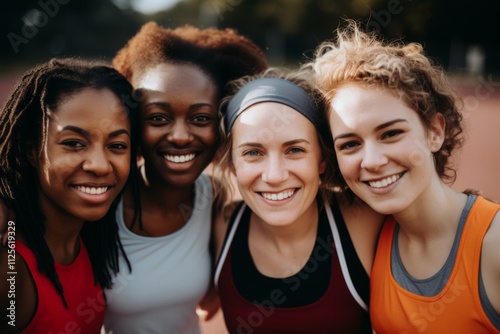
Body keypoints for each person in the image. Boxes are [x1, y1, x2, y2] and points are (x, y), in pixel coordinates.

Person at [310, 22, 500, 333]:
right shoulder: (368, 235)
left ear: (435, 132)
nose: (371, 161)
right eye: (350, 144)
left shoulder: (494, 245)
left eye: (391, 133)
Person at [102, 22, 267, 334]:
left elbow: (214, 300)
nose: (179, 136)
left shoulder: (213, 198)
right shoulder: (101, 203)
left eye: (200, 118)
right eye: (159, 118)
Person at [213, 68, 384, 334]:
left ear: (322, 159)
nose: (274, 175)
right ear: (232, 164)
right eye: (253, 152)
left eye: (295, 150)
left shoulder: (365, 221)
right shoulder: (220, 225)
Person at [0, 58, 138, 333]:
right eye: (74, 144)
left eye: (117, 145)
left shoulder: (93, 236)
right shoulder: (10, 268)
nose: (99, 165)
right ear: (30, 150)